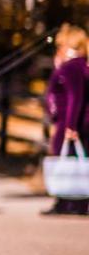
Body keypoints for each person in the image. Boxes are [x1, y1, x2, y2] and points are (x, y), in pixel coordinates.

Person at [43, 24, 89, 216]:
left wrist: (70, 125)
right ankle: (73, 201)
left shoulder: (72, 67)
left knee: (67, 161)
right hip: (76, 120)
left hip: (70, 121)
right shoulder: (80, 66)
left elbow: (74, 97)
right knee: (76, 161)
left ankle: (65, 201)